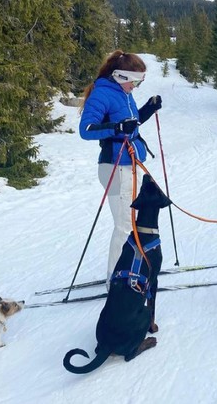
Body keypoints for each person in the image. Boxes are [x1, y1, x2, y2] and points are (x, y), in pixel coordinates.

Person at [79, 50, 163, 285]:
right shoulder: (103, 94)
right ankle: (114, 279)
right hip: (114, 168)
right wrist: (117, 128)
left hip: (130, 165)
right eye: (135, 81)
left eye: (140, 81)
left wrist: (148, 109)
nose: (136, 86)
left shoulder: (123, 93)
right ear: (121, 76)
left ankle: (128, 268)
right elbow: (86, 129)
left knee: (131, 222)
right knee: (125, 226)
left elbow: (131, 124)